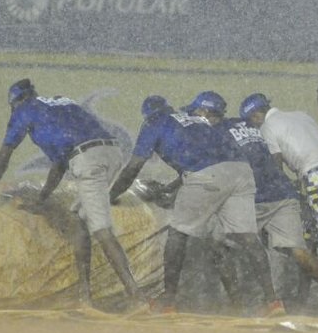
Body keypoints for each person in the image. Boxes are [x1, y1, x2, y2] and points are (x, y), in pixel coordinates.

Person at [0, 79, 146, 309]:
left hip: (88, 160)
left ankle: (136, 297)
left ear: (15, 102)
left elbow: (3, 158)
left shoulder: (24, 110)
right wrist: (42, 199)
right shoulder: (60, 102)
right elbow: (60, 165)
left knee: (102, 231)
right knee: (81, 217)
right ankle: (84, 295)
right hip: (111, 152)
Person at [109, 95, 285, 316]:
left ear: (146, 114)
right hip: (240, 171)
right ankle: (273, 301)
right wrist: (175, 189)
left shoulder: (154, 122)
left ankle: (168, 300)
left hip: (206, 175)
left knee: (177, 235)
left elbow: (133, 167)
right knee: (248, 237)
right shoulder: (194, 119)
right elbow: (208, 155)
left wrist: (112, 195)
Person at [186, 90, 318, 315]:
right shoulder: (254, 127)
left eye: (195, 113)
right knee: (299, 251)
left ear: (206, 113)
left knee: (219, 243)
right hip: (285, 193)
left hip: (258, 197)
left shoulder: (217, 134)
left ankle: (242, 306)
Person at [239, 92, 318, 308]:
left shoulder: (267, 128)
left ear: (255, 116)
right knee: (313, 240)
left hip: (317, 176)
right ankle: (307, 298)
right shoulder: (302, 115)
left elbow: (275, 166)